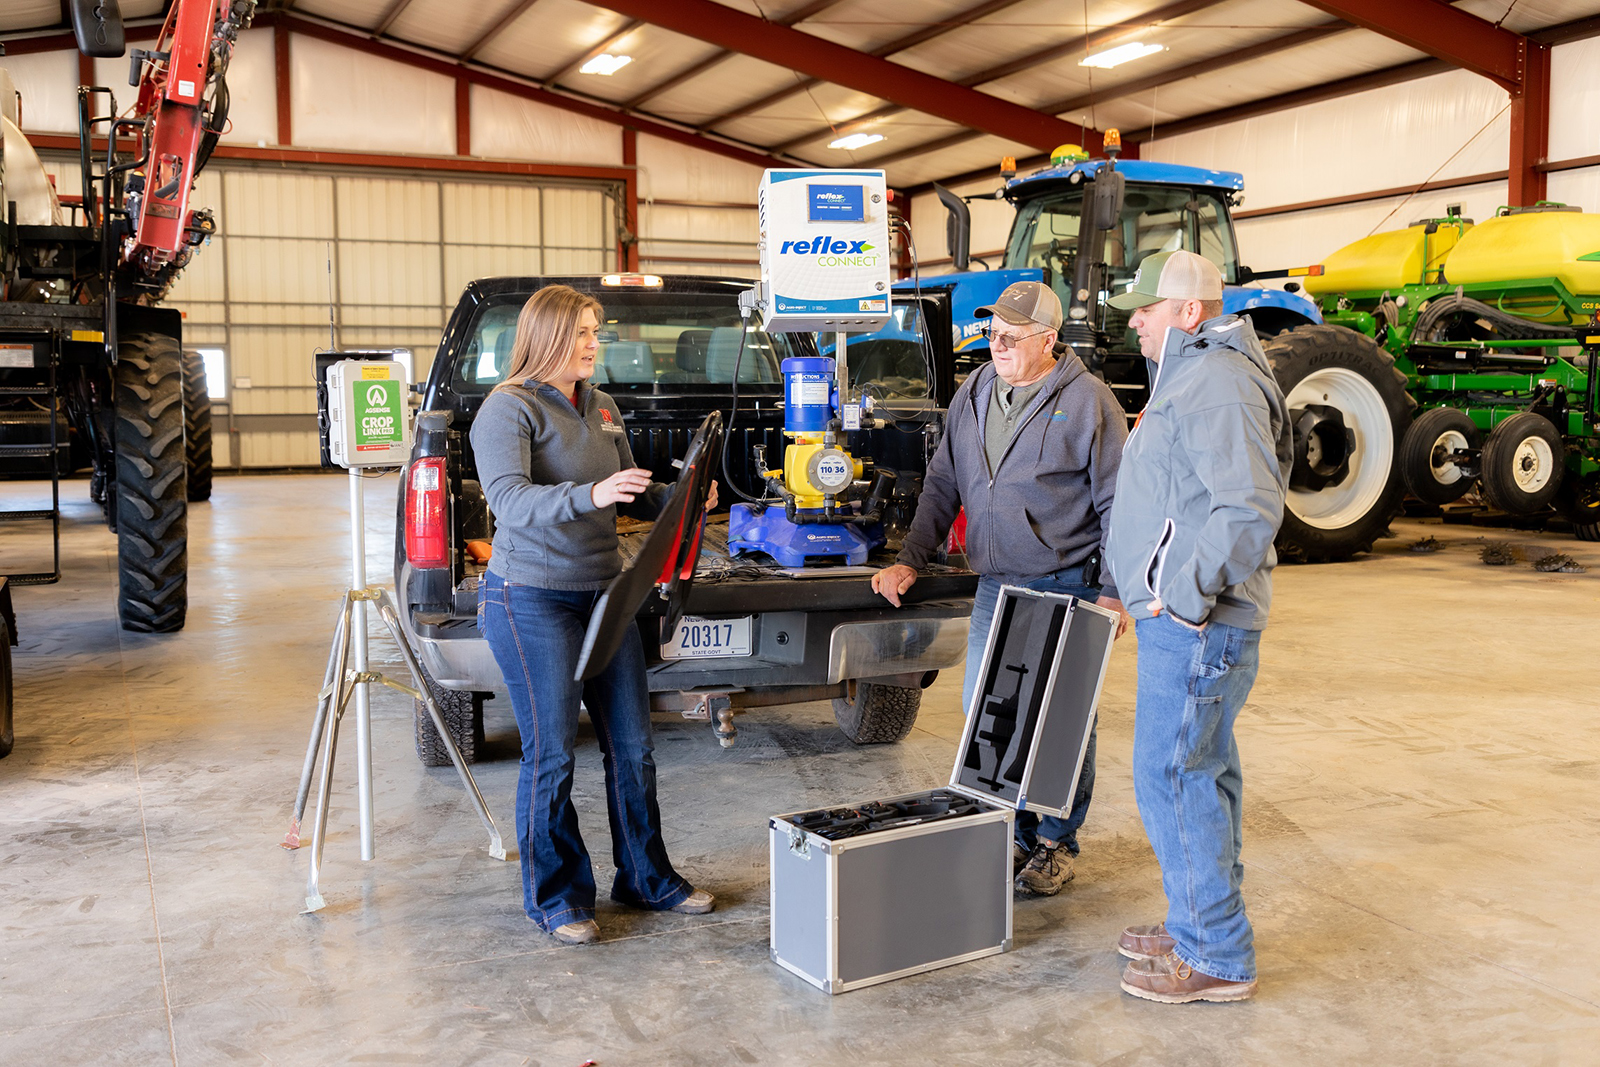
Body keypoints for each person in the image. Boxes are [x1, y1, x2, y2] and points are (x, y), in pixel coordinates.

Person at [471, 284, 715, 945]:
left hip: (606, 592)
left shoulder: (602, 406)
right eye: (581, 332)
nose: (592, 343)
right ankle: (555, 896)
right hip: (531, 597)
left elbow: (629, 486)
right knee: (551, 754)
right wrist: (591, 492)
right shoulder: (508, 408)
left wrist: (681, 492)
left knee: (634, 748)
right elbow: (512, 503)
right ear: (547, 337)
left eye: (594, 332)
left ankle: (645, 876)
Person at [872, 280, 1129, 896]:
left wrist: (1117, 590)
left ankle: (1055, 842)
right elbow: (943, 483)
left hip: (1065, 583)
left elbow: (1121, 502)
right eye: (992, 333)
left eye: (1013, 336)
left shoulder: (1090, 403)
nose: (998, 345)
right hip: (996, 584)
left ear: (1049, 338)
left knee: (1061, 720)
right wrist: (912, 557)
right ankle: (1012, 829)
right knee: (985, 711)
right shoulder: (976, 391)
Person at [1102, 250, 1293, 1003]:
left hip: (1199, 621)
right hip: (1186, 617)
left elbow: (1247, 508)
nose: (1136, 321)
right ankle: (1196, 922)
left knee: (1174, 774)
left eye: (1146, 308)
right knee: (1199, 770)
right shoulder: (1194, 375)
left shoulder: (1215, 380)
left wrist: (1181, 594)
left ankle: (1215, 951)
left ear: (1189, 312)